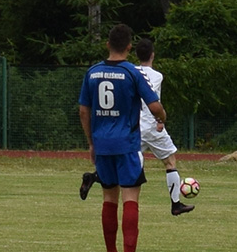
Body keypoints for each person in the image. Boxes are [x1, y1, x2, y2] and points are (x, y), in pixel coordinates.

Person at [78, 24, 167, 252]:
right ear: (129, 47)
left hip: (102, 144)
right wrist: (162, 117)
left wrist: (91, 142)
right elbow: (155, 106)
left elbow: (83, 111)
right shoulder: (132, 73)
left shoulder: (92, 72)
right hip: (127, 144)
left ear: (107, 44)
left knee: (109, 198)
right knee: (130, 198)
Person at [79, 39, 195, 217]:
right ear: (152, 55)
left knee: (118, 163)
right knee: (170, 162)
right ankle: (176, 204)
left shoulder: (129, 70)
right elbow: (154, 102)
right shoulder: (156, 76)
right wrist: (160, 120)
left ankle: (94, 176)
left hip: (130, 127)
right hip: (150, 126)